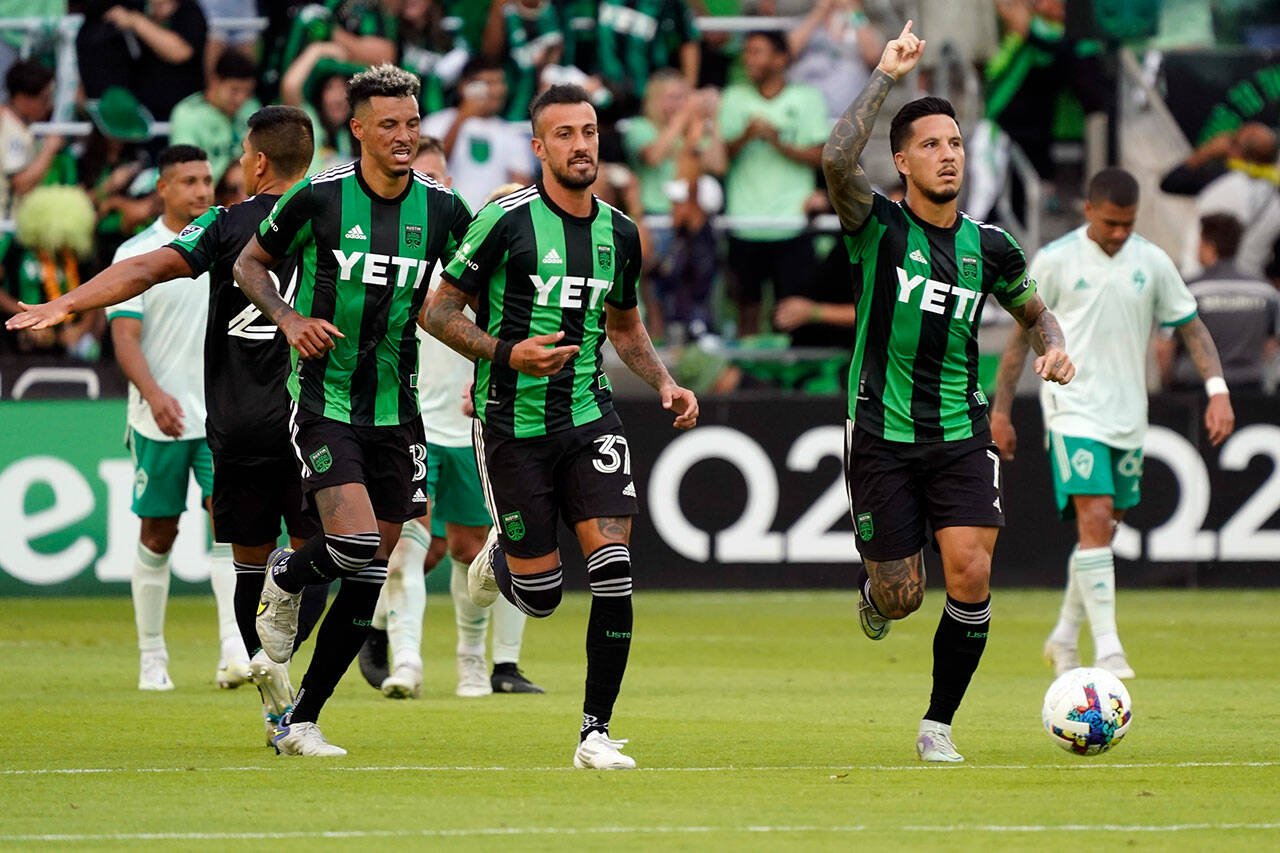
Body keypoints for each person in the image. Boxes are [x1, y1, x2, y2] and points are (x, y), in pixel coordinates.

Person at [6, 109, 329, 746]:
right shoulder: (337, 217)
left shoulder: (225, 223)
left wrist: (67, 301)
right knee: (329, 553)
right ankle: (282, 673)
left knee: (248, 562)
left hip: (234, 423)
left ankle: (272, 684)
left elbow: (144, 269)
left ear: (256, 163)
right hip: (315, 418)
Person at [822, 21, 1075, 763]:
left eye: (956, 143)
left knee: (970, 569)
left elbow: (1034, 312)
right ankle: (876, 596)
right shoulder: (877, 226)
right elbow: (837, 158)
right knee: (902, 596)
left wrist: (1054, 347)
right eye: (930, 145)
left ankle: (938, 723)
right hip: (880, 430)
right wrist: (886, 74)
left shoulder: (992, 246)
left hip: (959, 431)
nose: (947, 155)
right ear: (900, 161)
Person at [427, 83, 699, 770]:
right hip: (510, 422)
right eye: (566, 134)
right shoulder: (504, 221)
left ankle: (594, 731)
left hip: (588, 415)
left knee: (613, 566)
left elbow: (625, 324)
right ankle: (500, 560)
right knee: (541, 596)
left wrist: (665, 380)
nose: (582, 145)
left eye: (590, 131)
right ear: (539, 146)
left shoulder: (621, 232)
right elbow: (439, 312)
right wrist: (505, 352)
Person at [235, 65, 473, 756]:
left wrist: (492, 354)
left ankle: (300, 719)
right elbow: (249, 264)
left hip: (399, 410)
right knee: (352, 545)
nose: (405, 136)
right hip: (324, 399)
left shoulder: (443, 209)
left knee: (370, 576)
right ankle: (283, 575)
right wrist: (287, 316)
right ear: (359, 128)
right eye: (390, 124)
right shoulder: (319, 196)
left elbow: (459, 298)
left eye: (412, 122)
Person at [992, 168, 1237, 680]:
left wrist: (1218, 392)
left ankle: (1063, 636)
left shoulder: (1153, 261)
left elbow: (1191, 329)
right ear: (1088, 212)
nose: (1120, 232)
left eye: (1128, 223)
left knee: (1102, 530)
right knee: (1097, 516)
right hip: (1072, 407)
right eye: (1111, 223)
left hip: (1128, 415)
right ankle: (1108, 649)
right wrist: (1001, 409)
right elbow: (1019, 338)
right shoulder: (1055, 260)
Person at [361, 160, 544, 700]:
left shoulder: (520, 291)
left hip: (475, 430)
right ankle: (408, 662)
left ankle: (476, 663)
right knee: (409, 546)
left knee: (472, 549)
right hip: (417, 424)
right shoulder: (438, 272)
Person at [107, 146, 244, 691]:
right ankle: (151, 655)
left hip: (220, 418)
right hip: (157, 416)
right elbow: (123, 336)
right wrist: (155, 393)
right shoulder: (138, 251)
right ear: (162, 188)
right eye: (188, 181)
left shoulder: (233, 244)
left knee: (230, 527)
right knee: (159, 533)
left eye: (207, 180)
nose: (202, 191)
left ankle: (233, 650)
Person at [718, 31, 829, 336]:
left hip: (792, 221)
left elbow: (822, 156)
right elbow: (719, 159)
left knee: (792, 313)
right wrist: (746, 136)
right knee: (746, 309)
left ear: (780, 59)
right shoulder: (732, 97)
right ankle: (745, 379)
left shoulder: (807, 98)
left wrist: (777, 142)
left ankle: (787, 380)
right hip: (743, 221)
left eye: (757, 51)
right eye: (747, 51)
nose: (747, 58)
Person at [1157, 213, 1280, 395]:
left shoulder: (1187, 291)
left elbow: (1164, 347)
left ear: (1208, 245)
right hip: (1251, 390)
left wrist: (1166, 387)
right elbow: (1271, 345)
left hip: (1195, 393)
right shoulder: (1266, 292)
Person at [420, 57, 533, 211]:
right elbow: (427, 170)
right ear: (465, 86)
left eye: (500, 82)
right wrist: (462, 116)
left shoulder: (512, 134)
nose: (497, 91)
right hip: (445, 221)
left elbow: (521, 189)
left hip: (491, 227)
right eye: (488, 83)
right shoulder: (436, 123)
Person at [169, 50, 260, 182]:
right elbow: (185, 170)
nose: (241, 99)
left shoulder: (251, 108)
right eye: (234, 90)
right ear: (215, 82)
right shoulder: (187, 114)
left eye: (247, 92)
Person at [0, 59, 62, 220]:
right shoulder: (11, 131)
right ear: (22, 97)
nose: (49, 106)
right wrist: (49, 150)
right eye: (44, 99)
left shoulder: (14, 125)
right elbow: (21, 183)